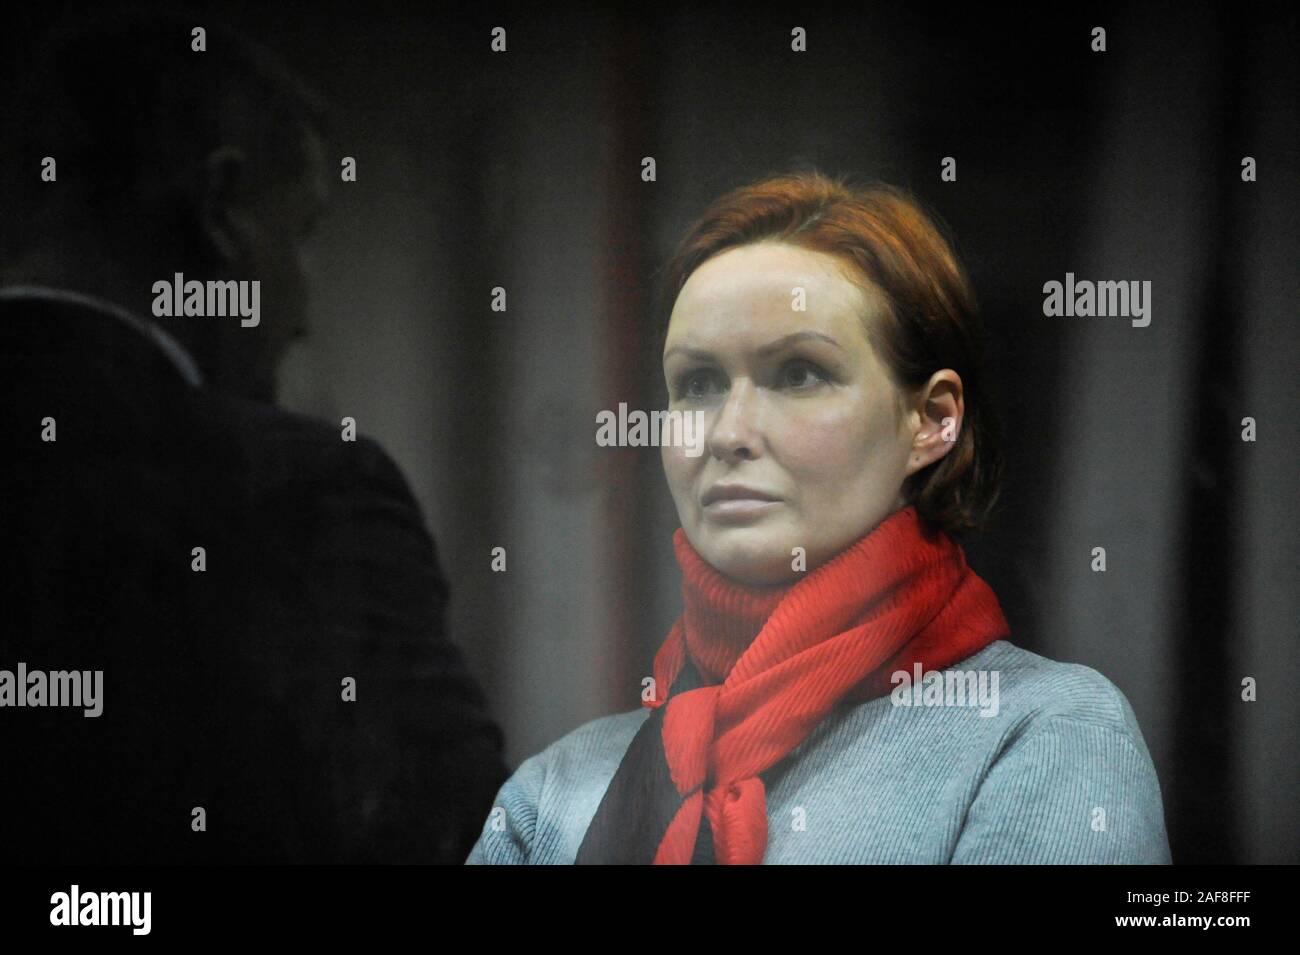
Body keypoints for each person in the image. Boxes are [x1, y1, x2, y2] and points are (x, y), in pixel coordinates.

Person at [467, 171, 1172, 864]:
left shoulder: (1045, 735)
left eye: (799, 373)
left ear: (931, 420)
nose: (729, 431)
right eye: (699, 383)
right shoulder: (556, 792)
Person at [0, 13, 507, 863]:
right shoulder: (304, 495)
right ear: (223, 209)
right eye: (299, 235)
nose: (303, 313)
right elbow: (452, 840)